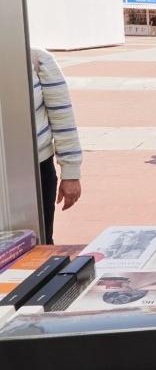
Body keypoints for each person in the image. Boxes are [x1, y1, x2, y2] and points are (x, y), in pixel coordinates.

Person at [31, 48, 82, 242]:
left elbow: (62, 118)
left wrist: (70, 173)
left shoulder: (38, 60)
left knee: (39, 244)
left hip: (36, 171)